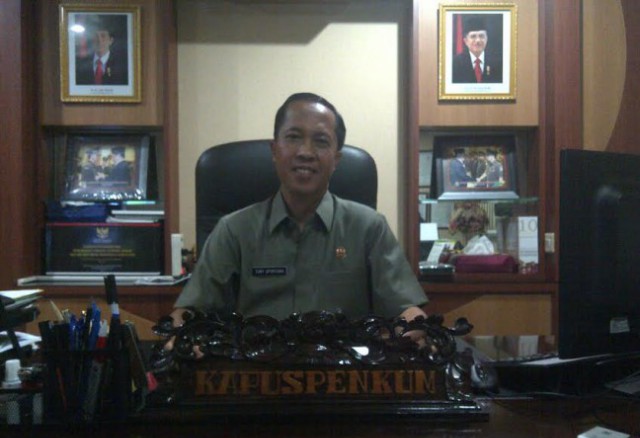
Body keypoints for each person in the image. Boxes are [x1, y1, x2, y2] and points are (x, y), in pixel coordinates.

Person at [169, 92, 428, 328]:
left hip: (345, 364)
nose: (305, 152)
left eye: (321, 141)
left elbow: (406, 309)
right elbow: (190, 312)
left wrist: (413, 331)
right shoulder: (234, 230)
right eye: (293, 138)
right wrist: (181, 336)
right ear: (274, 150)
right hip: (257, 362)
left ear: (336, 160)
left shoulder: (369, 228)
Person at [75, 17, 128, 86]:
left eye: (103, 36)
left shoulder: (122, 65)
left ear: (111, 40)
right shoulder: (80, 64)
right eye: (96, 36)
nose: (99, 40)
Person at [452, 15, 503, 84]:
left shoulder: (498, 63)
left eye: (481, 36)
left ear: (486, 39)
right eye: (473, 36)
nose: (478, 40)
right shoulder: (455, 64)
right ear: (465, 41)